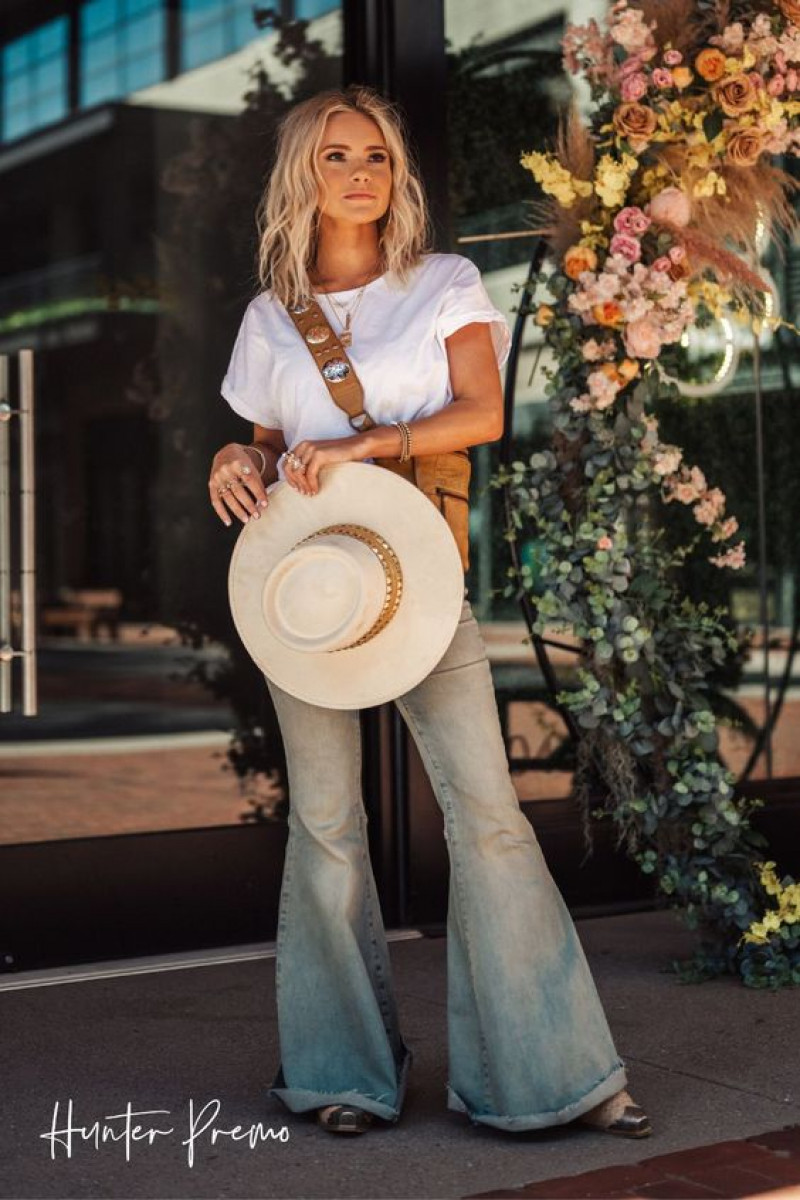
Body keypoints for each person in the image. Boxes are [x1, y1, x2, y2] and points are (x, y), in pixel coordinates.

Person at [210, 84, 652, 1140]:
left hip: (419, 582)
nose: (359, 171)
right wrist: (235, 454)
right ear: (301, 176)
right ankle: (340, 1077)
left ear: (394, 172)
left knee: (486, 818)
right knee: (323, 829)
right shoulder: (271, 314)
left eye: (374, 154)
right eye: (334, 156)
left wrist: (361, 444)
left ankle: (553, 1078)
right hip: (307, 595)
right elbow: (268, 448)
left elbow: (483, 412)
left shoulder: (444, 281)